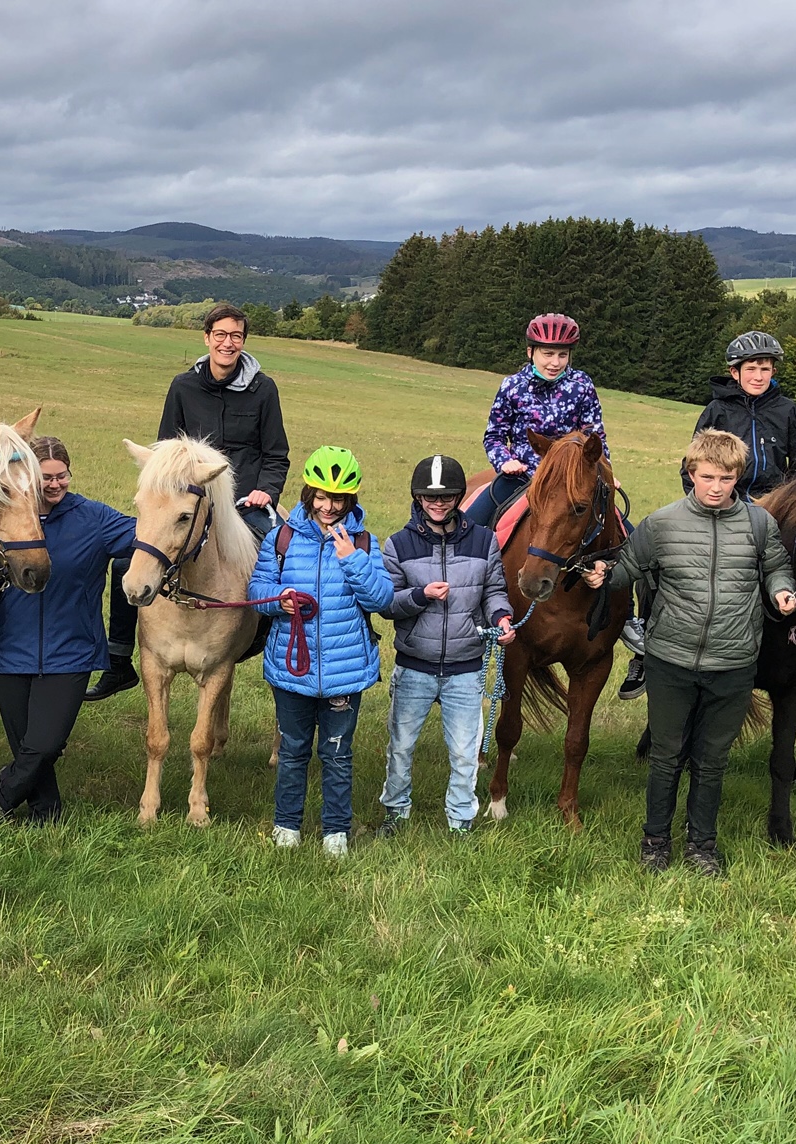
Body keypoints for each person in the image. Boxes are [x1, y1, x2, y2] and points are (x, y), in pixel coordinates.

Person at [583, 429, 796, 876]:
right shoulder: (661, 524)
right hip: (671, 661)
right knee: (666, 756)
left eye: (726, 478)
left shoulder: (759, 524)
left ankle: (702, 845)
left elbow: (776, 566)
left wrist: (781, 592)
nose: (716, 486)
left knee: (712, 760)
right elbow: (628, 567)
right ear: (690, 474)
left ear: (738, 476)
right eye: (707, 477)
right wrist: (603, 576)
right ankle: (655, 841)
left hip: (734, 663)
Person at [620, 328, 796, 719]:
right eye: (751, 368)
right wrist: (721, 502)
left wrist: (780, 505)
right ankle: (646, 646)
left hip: (778, 511)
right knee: (656, 554)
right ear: (734, 371)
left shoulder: (790, 412)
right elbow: (691, 467)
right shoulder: (716, 411)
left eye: (766, 368)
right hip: (725, 502)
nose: (759, 375)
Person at [88, 303, 289, 701]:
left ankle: (260, 643)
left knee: (282, 556)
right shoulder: (183, 386)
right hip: (189, 500)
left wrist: (267, 489)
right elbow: (165, 448)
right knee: (131, 559)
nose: (227, 343)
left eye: (235, 336)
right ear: (207, 338)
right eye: (220, 335)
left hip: (244, 502)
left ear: (243, 342)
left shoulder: (263, 389)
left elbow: (276, 454)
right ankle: (118, 661)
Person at [0, 435, 138, 823]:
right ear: (30, 476)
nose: (54, 484)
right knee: (27, 746)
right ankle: (46, 813)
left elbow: (148, 537)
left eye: (61, 476)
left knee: (45, 745)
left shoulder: (94, 519)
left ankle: (5, 792)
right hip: (9, 649)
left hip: (71, 651)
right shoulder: (4, 515)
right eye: (45, 477)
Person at [249, 446, 393, 859]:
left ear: (351, 501)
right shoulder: (283, 537)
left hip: (344, 671)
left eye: (338, 499)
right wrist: (279, 599)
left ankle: (335, 831)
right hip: (292, 667)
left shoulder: (364, 541)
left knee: (337, 753)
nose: (328, 507)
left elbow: (381, 599)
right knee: (293, 750)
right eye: (321, 497)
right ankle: (287, 825)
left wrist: (353, 560)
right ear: (308, 494)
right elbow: (256, 591)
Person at [378, 453, 516, 837]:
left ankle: (460, 820)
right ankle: (396, 811)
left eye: (446, 497)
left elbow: (494, 592)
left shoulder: (484, 541)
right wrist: (420, 595)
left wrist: (500, 617)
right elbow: (388, 603)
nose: (437, 504)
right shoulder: (398, 545)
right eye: (429, 498)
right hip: (414, 665)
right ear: (417, 498)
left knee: (464, 753)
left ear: (458, 498)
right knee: (401, 747)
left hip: (465, 667)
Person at [461, 312, 609, 527]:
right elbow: (494, 436)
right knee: (469, 525)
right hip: (522, 474)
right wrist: (505, 462)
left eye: (562, 355)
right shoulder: (512, 386)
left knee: (623, 534)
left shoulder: (582, 385)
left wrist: (605, 473)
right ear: (531, 352)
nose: (555, 363)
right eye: (548, 354)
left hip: (571, 476)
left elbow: (595, 437)